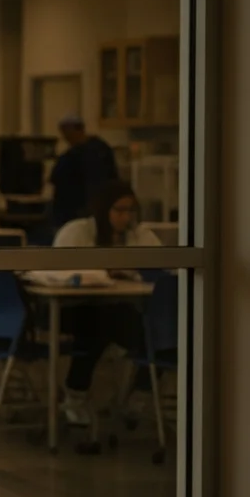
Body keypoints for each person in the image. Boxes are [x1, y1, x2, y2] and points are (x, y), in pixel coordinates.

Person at [52, 181, 159, 427]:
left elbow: (158, 267)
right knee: (98, 326)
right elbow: (60, 270)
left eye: (131, 210)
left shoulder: (139, 235)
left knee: (157, 335)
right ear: (104, 209)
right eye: (119, 210)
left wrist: (129, 273)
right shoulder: (78, 231)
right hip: (73, 307)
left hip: (120, 306)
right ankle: (75, 395)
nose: (126, 217)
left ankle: (137, 395)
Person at [49, 116, 119, 230]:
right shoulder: (99, 149)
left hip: (80, 211)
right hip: (87, 210)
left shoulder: (95, 152)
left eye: (66, 132)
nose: (65, 136)